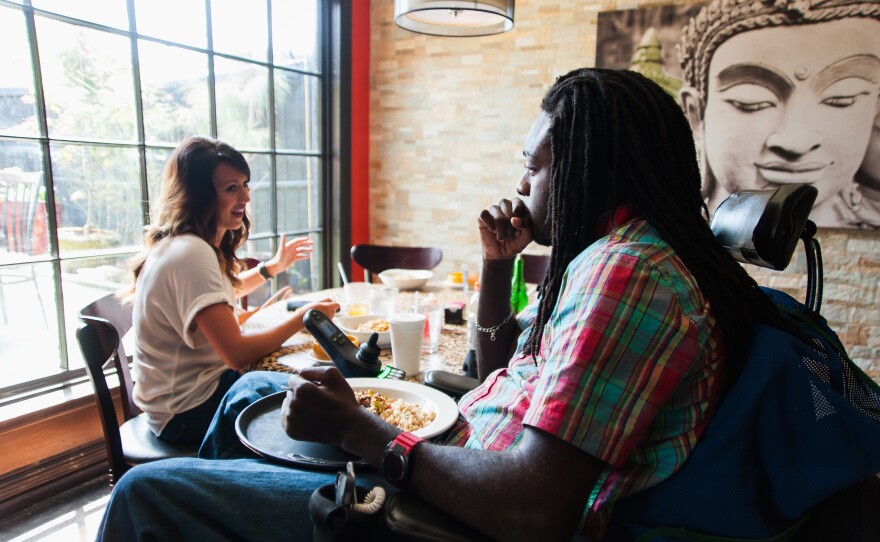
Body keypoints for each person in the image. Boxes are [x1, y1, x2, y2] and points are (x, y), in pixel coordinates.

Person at [97, 69, 783, 541]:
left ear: (584, 170)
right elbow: (501, 370)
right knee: (250, 397)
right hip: (460, 462)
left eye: (534, 165)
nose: (522, 179)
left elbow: (531, 514)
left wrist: (363, 430)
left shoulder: (628, 275)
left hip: (448, 515)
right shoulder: (621, 253)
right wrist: (497, 266)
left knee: (144, 494)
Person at [125, 136, 338, 445]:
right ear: (198, 196)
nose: (245, 198)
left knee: (305, 385)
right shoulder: (190, 253)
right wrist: (303, 319)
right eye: (231, 188)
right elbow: (236, 354)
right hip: (185, 414)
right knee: (316, 399)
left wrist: (272, 268)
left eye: (245, 184)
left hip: (180, 401)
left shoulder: (182, 245)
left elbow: (224, 292)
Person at [677, 0, 880, 228]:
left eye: (842, 98)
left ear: (874, 108)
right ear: (695, 113)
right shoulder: (671, 234)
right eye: (751, 102)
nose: (796, 142)